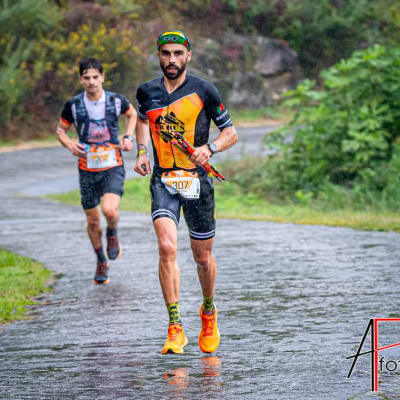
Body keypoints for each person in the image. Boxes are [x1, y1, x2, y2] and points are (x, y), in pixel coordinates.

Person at [134, 31, 238, 354]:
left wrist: (210, 148)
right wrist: (141, 151)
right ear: (158, 55)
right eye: (165, 54)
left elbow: (231, 133)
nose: (171, 60)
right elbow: (140, 120)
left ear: (188, 56)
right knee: (167, 246)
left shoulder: (204, 90)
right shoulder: (147, 91)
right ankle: (175, 326)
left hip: (198, 181)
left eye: (178, 53)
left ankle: (208, 311)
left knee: (202, 258)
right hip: (163, 180)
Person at [56, 57, 137, 285]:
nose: (91, 82)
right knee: (92, 221)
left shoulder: (116, 101)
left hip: (112, 165)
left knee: (110, 211)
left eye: (95, 77)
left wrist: (128, 137)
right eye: (86, 78)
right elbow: (60, 130)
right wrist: (70, 144)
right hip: (87, 168)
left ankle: (112, 232)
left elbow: (133, 114)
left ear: (102, 77)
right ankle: (101, 259)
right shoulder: (73, 105)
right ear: (81, 80)